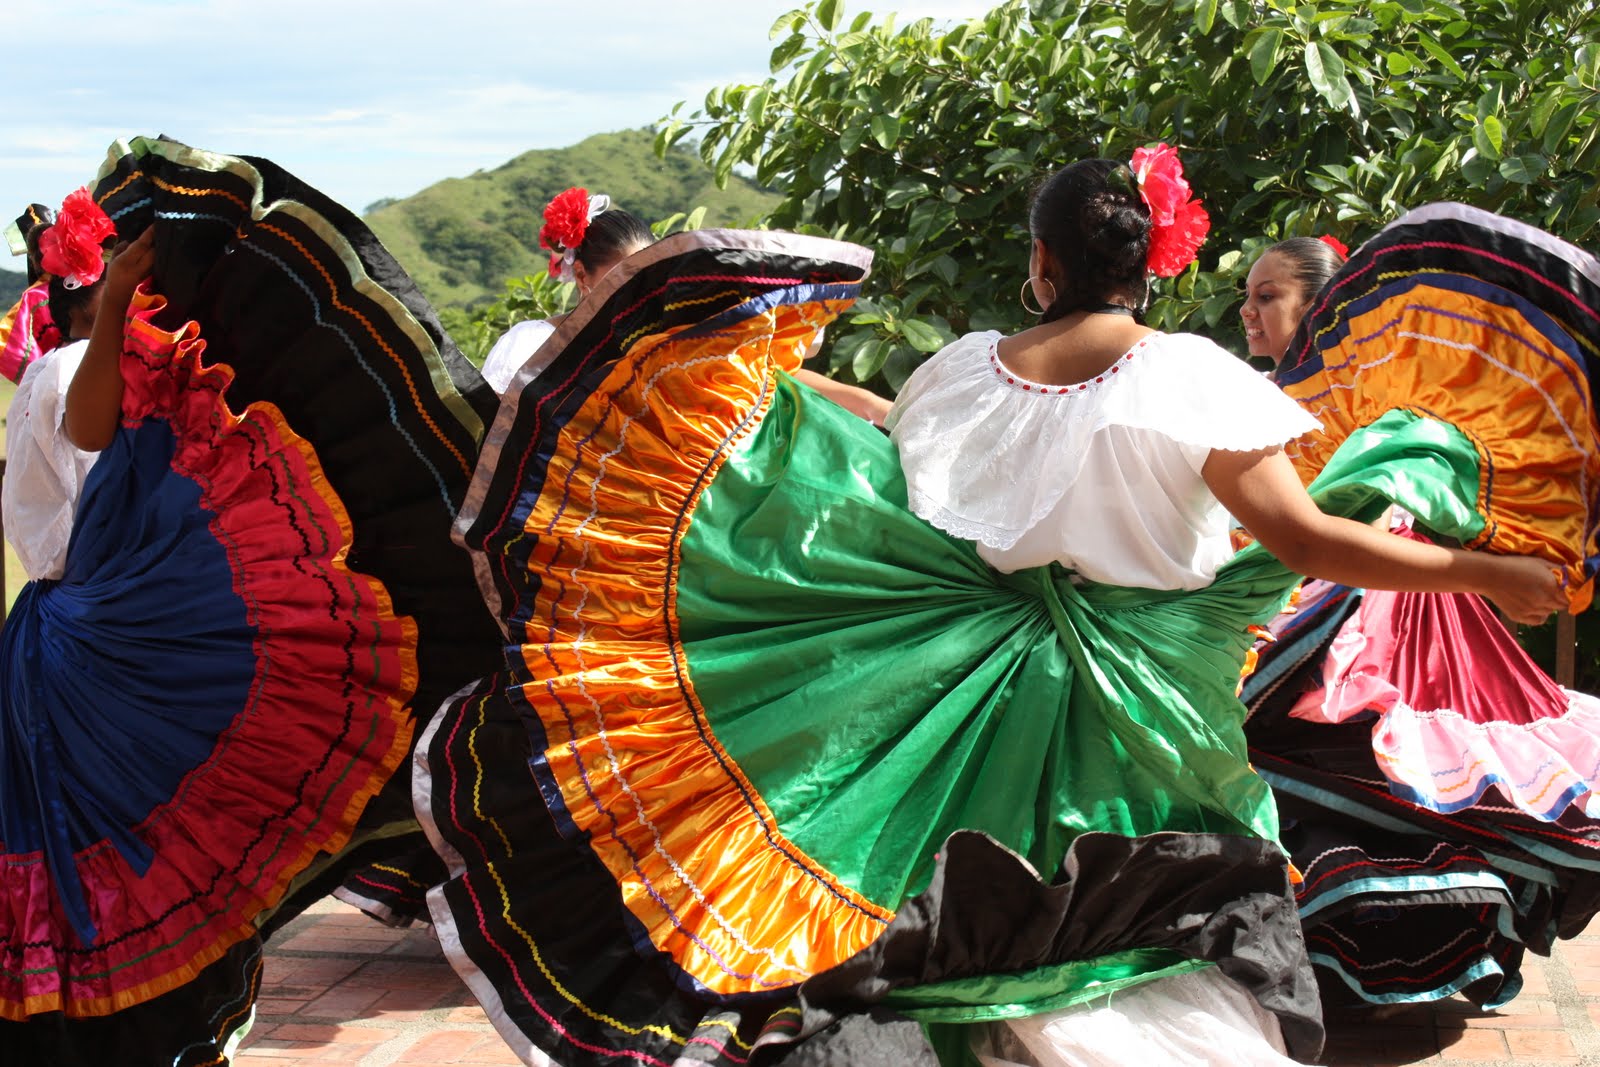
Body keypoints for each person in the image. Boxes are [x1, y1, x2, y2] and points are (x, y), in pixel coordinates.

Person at [413, 146, 1584, 1067]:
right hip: (1143, 708)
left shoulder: (959, 371)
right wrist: (1492, 571)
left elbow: (895, 469)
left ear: (1039, 263)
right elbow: (1307, 539)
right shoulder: (1195, 378)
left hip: (971, 698)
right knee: (1149, 916)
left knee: (984, 919)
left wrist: (775, 392)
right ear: (1150, 264)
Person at [0, 140, 501, 1066]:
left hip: (67, 639)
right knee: (137, 841)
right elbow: (89, 429)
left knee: (108, 842)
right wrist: (120, 303)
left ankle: (95, 1019)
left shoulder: (108, 377)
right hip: (89, 651)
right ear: (91, 298)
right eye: (129, 291)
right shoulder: (71, 372)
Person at [1237, 228, 1600, 1008]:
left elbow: (1409, 495)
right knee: (1342, 763)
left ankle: (1403, 928)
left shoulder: (1387, 416)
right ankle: (1350, 939)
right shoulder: (1250, 405)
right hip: (1326, 599)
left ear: (1326, 306)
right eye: (1247, 297)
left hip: (1384, 611)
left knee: (1383, 755)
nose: (1249, 312)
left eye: (1268, 295)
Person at [482, 187, 894, 425]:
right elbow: (495, 432)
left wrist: (874, 407)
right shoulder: (534, 343)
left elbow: (767, 374)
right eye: (619, 278)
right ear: (582, 276)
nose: (633, 291)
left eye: (644, 278)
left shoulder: (665, 336)